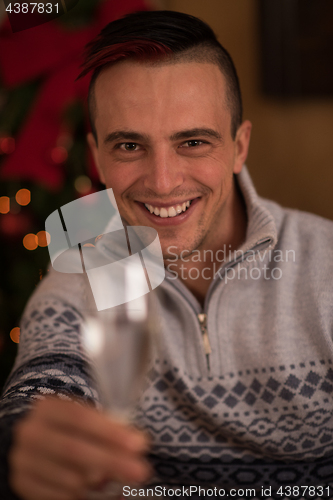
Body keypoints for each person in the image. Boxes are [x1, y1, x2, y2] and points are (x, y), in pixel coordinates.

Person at [1, 10, 333, 500]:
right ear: (97, 157)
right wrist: (26, 445)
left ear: (239, 147)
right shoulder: (84, 267)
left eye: (193, 142)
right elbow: (46, 381)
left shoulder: (326, 265)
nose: (161, 181)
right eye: (130, 145)